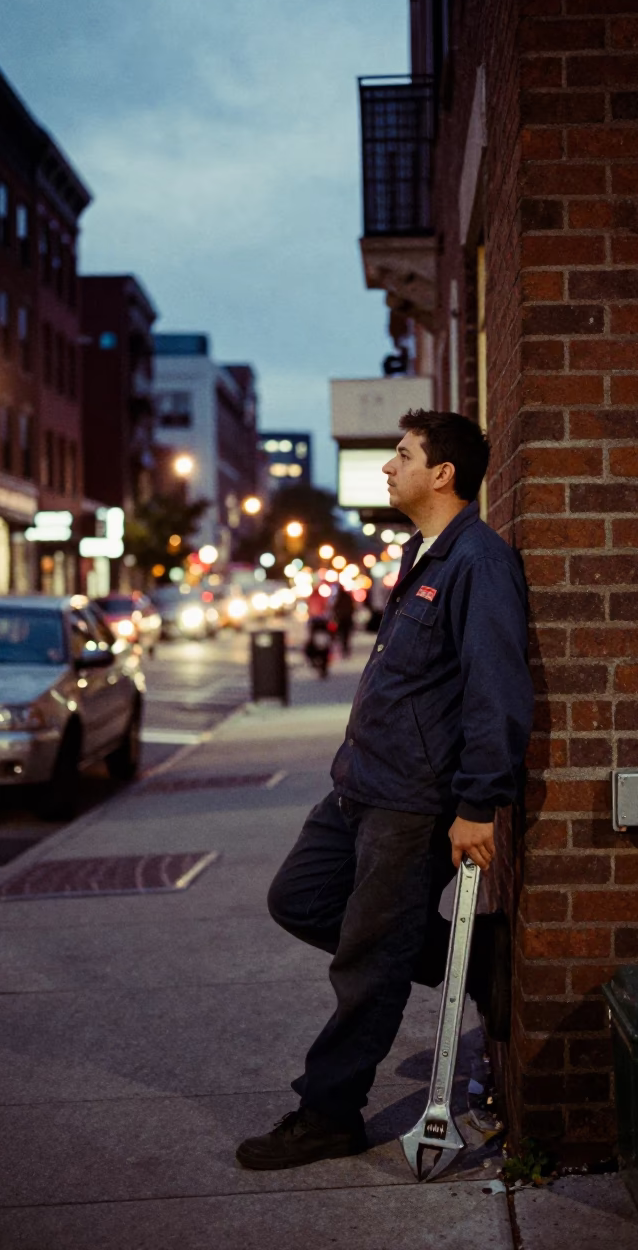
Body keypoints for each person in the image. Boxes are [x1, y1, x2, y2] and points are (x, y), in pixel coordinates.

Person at [236, 408, 533, 1171]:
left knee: (368, 958)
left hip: (411, 802)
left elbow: (496, 690)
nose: (387, 467)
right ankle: (476, 957)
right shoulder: (419, 553)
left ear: (443, 473)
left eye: (402, 455)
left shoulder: (478, 561)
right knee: (297, 899)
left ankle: (328, 1112)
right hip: (356, 789)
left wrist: (477, 804)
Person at [332, 584, 354, 657]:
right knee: (345, 636)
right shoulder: (345, 597)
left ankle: (344, 650)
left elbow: (335, 608)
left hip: (343, 620)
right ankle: (344, 649)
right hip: (345, 619)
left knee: (343, 636)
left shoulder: (339, 598)